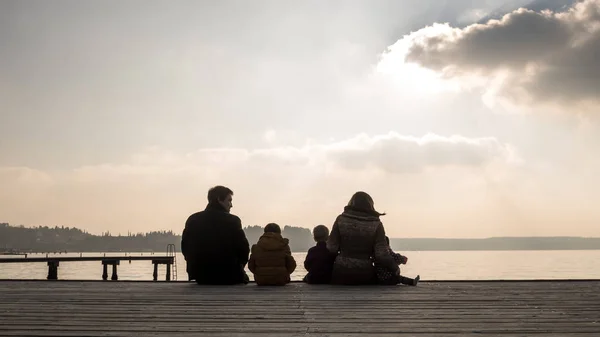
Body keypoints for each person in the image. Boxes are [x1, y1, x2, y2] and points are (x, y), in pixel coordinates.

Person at [181, 185, 250, 285]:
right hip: (230, 275)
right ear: (219, 199)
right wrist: (239, 267)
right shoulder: (233, 221)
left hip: (201, 276)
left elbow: (185, 247)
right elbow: (244, 249)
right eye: (229, 200)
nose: (231, 205)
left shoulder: (193, 219)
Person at [327, 191, 398, 285]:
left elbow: (332, 247)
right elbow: (381, 254)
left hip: (341, 272)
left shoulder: (341, 219)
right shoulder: (376, 224)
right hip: (364, 274)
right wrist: (394, 267)